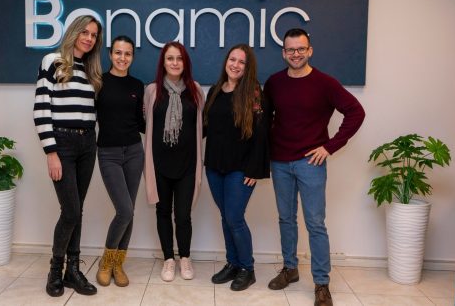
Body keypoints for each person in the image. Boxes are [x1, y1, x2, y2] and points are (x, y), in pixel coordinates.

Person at [264, 28, 365, 306]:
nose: (295, 54)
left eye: (301, 49)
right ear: (283, 53)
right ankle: (290, 268)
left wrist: (329, 146)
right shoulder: (274, 83)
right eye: (290, 50)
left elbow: (356, 112)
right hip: (280, 162)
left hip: (311, 163)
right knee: (286, 219)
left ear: (309, 51)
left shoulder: (326, 83)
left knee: (315, 224)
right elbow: (265, 119)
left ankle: (322, 283)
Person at [33, 15, 103, 297]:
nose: (88, 38)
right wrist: (51, 152)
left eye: (94, 35)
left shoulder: (91, 70)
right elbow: (41, 108)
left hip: (88, 143)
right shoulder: (52, 61)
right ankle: (55, 270)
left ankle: (72, 271)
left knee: (77, 209)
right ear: (73, 32)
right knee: (71, 210)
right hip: (62, 143)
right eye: (84, 32)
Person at [203, 44, 269, 291]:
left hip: (240, 169)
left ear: (248, 66)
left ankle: (247, 268)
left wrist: (254, 169)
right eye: (232, 59)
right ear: (226, 61)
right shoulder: (215, 90)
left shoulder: (254, 93)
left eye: (242, 62)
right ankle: (232, 263)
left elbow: (261, 134)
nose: (236, 65)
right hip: (214, 167)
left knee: (234, 217)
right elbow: (205, 127)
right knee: (226, 217)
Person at [143, 41, 204, 282]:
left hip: (188, 165)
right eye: (170, 58)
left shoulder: (196, 90)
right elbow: (145, 123)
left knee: (183, 215)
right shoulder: (152, 91)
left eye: (179, 58)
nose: (175, 63)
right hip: (159, 164)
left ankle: (185, 258)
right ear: (163, 62)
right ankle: (169, 259)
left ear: (185, 62)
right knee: (162, 212)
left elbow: (201, 127)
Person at [95, 35, 145, 287]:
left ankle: (118, 264)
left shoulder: (138, 85)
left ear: (132, 57)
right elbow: (87, 117)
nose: (122, 58)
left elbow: (142, 123)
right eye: (118, 53)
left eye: (127, 54)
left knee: (129, 211)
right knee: (124, 210)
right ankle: (106, 260)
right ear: (110, 54)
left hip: (135, 152)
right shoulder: (98, 82)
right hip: (108, 153)